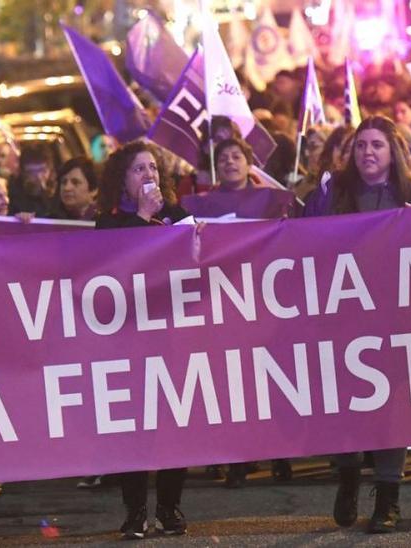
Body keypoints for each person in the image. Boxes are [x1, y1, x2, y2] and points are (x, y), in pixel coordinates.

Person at [311, 115, 411, 534]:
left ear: (391, 151)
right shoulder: (335, 192)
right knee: (349, 405)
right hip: (345, 316)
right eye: (361, 146)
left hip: (396, 317)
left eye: (376, 145)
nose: (367, 153)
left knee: (391, 409)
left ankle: (388, 496)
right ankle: (347, 479)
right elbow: (304, 241)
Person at [96, 141, 190, 539]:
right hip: (127, 340)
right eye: (138, 169)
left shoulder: (178, 216)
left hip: (169, 335)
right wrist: (143, 218)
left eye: (153, 168)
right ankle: (136, 510)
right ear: (122, 179)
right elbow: (113, 266)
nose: (149, 174)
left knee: (173, 422)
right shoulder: (109, 223)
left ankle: (169, 507)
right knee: (132, 427)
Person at [181, 137, 293, 220]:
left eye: (236, 157)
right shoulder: (199, 204)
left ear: (249, 165)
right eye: (223, 159)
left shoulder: (273, 199)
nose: (229, 162)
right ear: (216, 168)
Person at [9, 145, 58, 217]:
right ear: (23, 173)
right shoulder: (12, 194)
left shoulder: (60, 190)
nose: (38, 176)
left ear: (50, 169)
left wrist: (45, 194)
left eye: (42, 170)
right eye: (32, 172)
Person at [52, 157, 100, 221]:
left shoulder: (104, 222)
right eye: (64, 182)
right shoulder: (51, 221)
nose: (67, 188)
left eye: (75, 182)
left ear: (93, 190)